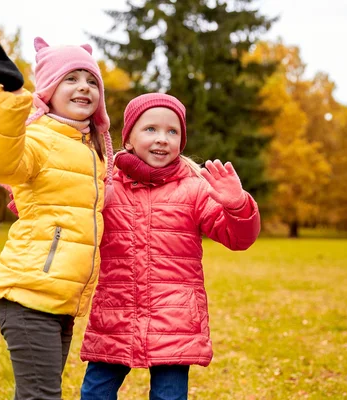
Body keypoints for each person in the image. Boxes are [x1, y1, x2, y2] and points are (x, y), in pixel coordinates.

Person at [79, 93, 261, 400]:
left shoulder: (194, 189)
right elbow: (67, 212)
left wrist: (238, 206)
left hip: (175, 317)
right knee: (96, 393)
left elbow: (238, 238)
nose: (162, 139)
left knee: (169, 396)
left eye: (172, 131)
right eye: (150, 129)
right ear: (129, 139)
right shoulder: (106, 184)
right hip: (116, 312)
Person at [0, 37, 114, 400]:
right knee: (42, 396)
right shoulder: (39, 138)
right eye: (71, 78)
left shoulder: (92, 150)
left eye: (91, 80)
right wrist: (12, 96)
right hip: (30, 294)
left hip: (60, 299)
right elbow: (2, 161)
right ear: (48, 89)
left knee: (38, 393)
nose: (84, 87)